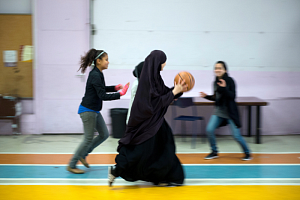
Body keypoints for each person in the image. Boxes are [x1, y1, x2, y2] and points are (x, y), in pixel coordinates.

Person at [109, 50, 187, 186]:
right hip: (146, 124)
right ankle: (116, 170)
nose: (164, 64)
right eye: (163, 61)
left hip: (155, 122)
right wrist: (173, 92)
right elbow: (153, 104)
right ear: (157, 63)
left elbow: (164, 94)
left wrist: (177, 90)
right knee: (138, 151)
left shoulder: (156, 79)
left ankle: (163, 176)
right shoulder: (144, 83)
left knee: (163, 147)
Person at [67, 49, 130, 174]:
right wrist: (120, 94)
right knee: (88, 139)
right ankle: (72, 164)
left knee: (104, 134)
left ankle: (83, 154)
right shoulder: (95, 75)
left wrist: (115, 88)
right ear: (98, 61)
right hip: (88, 111)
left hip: (94, 110)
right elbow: (102, 95)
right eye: (106, 60)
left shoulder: (98, 73)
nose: (108, 62)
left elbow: (101, 89)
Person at [200, 61, 252, 161]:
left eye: (220, 68)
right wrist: (206, 96)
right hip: (219, 111)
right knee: (209, 130)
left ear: (225, 70)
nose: (217, 70)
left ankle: (247, 153)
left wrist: (224, 88)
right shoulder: (215, 82)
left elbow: (232, 96)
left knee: (236, 135)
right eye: (216, 68)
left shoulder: (230, 81)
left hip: (230, 112)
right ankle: (214, 152)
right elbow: (216, 97)